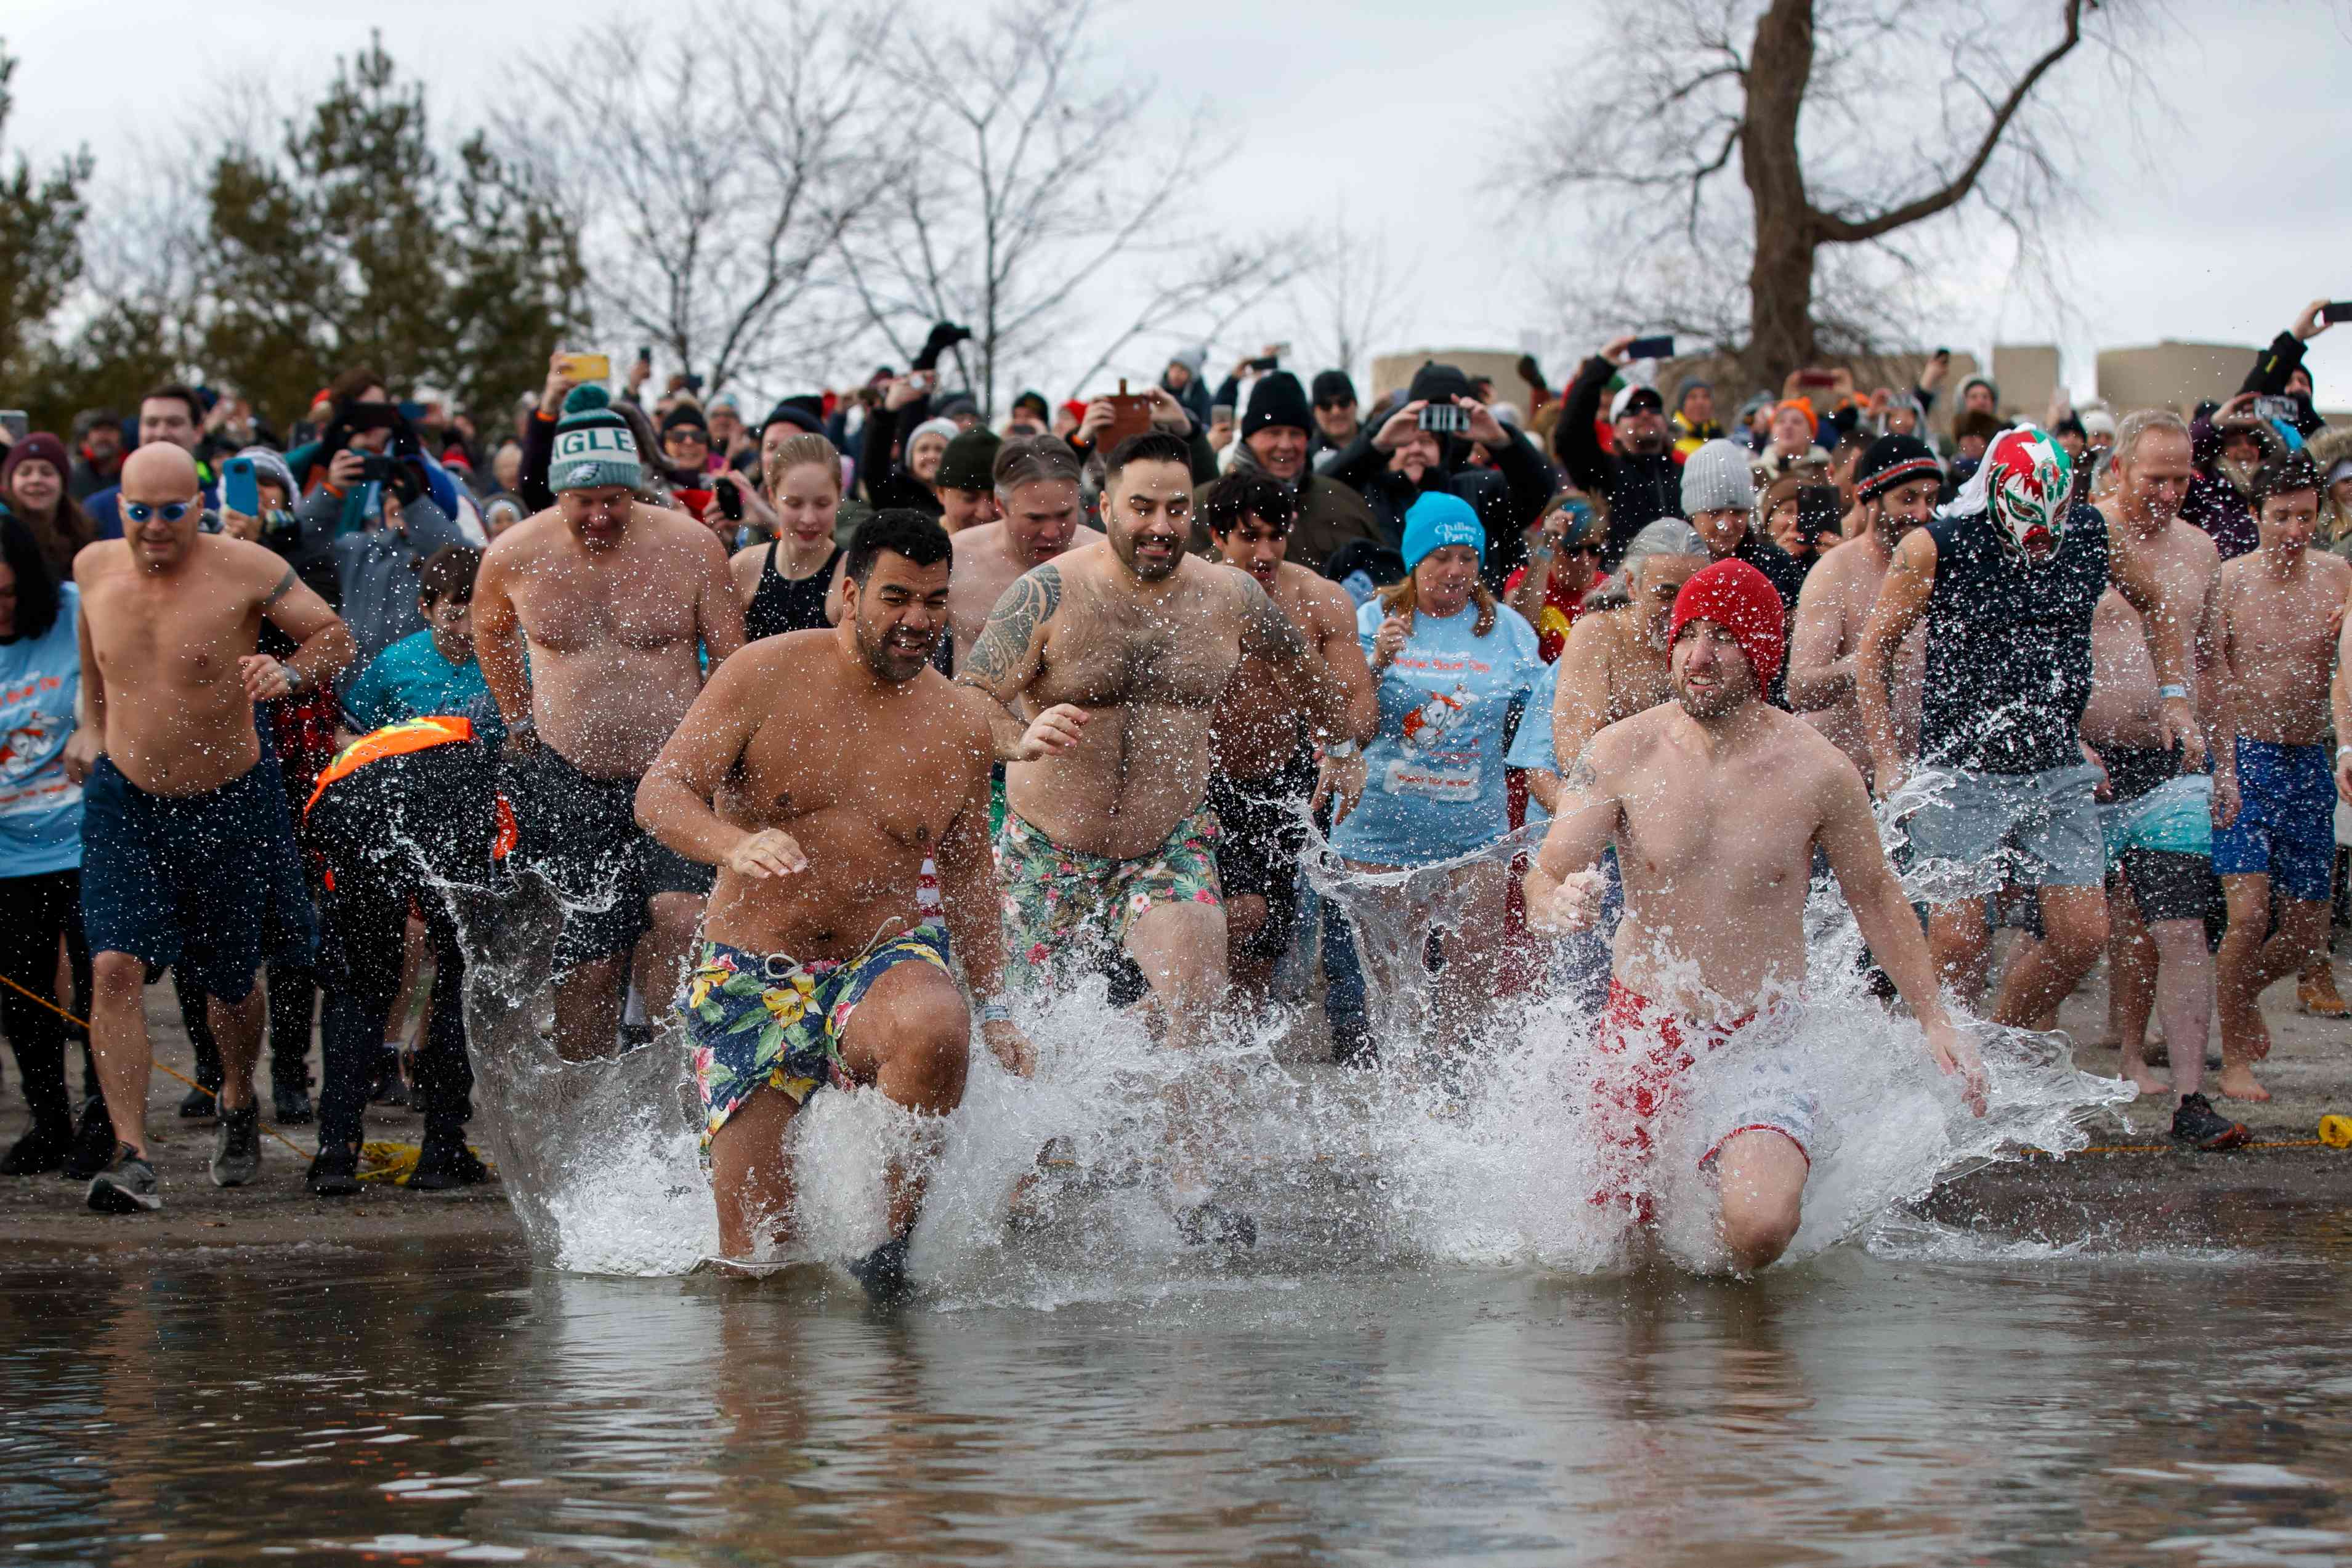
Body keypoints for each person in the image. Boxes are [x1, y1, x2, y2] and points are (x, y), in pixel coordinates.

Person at [1524, 558, 1984, 1272]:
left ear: (1764, 651)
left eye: (1725, 639)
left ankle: (1725, 1306)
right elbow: (1547, 871)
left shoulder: (1819, 770)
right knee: (1615, 1259)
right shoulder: (1622, 750)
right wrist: (1556, 903)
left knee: (1761, 1229)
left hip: (1759, 1031)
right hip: (1645, 1027)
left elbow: (1876, 895)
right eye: (1688, 636)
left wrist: (1933, 1015)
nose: (1699, 658)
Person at [956, 431, 1355, 1247]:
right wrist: (1017, 737)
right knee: (1022, 1029)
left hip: (1166, 840)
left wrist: (1344, 745)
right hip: (1045, 845)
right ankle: (1018, 1176)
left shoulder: (1230, 597)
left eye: (1177, 508)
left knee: (1195, 987)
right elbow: (970, 700)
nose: (1160, 526)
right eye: (1141, 507)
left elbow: (1310, 676)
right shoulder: (1047, 592)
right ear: (1104, 508)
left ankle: (1188, 1184)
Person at [637, 510, 1028, 1298]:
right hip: (754, 970)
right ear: (850, 593)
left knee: (936, 1023)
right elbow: (661, 792)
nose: (917, 620)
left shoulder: (956, 721)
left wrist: (996, 1006)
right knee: (757, 1261)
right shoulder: (764, 672)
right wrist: (731, 844)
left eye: (934, 600)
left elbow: (970, 880)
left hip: (875, 957)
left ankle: (886, 1251)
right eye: (896, 598)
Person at [68, 444, 355, 1211]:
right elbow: (96, 669)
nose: (154, 527)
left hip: (230, 798)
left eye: (171, 511)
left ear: (198, 504)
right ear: (118, 505)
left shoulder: (247, 568)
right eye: (138, 511)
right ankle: (132, 1153)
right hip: (125, 797)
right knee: (114, 968)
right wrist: (89, 734)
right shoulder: (93, 567)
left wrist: (290, 672)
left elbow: (335, 636)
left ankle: (236, 1095)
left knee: (229, 984)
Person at [1857, 424, 2200, 1027]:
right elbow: (1874, 651)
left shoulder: (2094, 533)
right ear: (1995, 495)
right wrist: (1888, 757)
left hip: (2054, 765)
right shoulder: (1937, 547)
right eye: (2027, 522)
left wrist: (2174, 697)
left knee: (2082, 937)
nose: (2041, 540)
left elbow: (2159, 604)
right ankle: (1942, 1065)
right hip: (1961, 770)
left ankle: (2002, 1043)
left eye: (2055, 519)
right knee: (1960, 943)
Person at [472, 396, 746, 1063]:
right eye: (585, 501)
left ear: (636, 488)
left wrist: (711, 745)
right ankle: (586, 1094)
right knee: (593, 955)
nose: (600, 517)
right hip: (570, 773)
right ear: (560, 492)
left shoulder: (689, 546)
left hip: (673, 771)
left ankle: (672, 1077)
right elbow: (488, 627)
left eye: (615, 500)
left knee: (682, 920)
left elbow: (734, 658)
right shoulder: (515, 553)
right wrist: (516, 715)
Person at [1331, 493, 1543, 1050]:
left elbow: (1543, 718)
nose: (1454, 571)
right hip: (1379, 831)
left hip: (1473, 835)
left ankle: (1453, 1095)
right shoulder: (1374, 619)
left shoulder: (1508, 630)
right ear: (1414, 563)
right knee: (1389, 996)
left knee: (1471, 979)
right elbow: (1344, 726)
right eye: (1440, 557)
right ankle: (1399, 1105)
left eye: (1467, 558)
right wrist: (1376, 662)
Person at [301, 715, 501, 1195]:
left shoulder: (386, 750)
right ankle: (441, 1149)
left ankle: (335, 1151)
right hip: (430, 805)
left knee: (359, 985)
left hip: (341, 802)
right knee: (461, 976)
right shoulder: (484, 760)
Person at [1200, 472, 1378, 1003]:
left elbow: (1358, 700)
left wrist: (1341, 750)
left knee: (1264, 948)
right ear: (1216, 537)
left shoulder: (1320, 599)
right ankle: (1176, 1009)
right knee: (1241, 915)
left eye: (1274, 537)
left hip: (1288, 782)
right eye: (1248, 537)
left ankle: (1237, 1069)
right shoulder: (1190, 599)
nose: (1264, 552)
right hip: (1203, 781)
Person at [2081, 584, 2247, 1149]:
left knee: (2180, 930)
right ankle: (2002, 1081)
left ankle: (2189, 1101)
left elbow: (2213, 668)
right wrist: (2059, 736)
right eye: (2157, 484)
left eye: (2178, 485)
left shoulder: (2196, 552)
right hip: (2082, 772)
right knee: (2064, 940)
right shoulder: (2077, 541)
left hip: (2174, 772)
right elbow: (2036, 654)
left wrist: (2225, 765)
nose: (2168, 492)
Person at [2217, 450, 2349, 1101]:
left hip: (2309, 758)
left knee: (2301, 933)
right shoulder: (2232, 581)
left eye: (2305, 517)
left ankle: (2235, 994)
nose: (2293, 531)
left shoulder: (2339, 578)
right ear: (2255, 515)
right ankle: (2235, 1052)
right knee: (2247, 915)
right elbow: (2210, 675)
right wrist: (2216, 763)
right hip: (2247, 756)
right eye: (2280, 517)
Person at [0, 519, 108, 1176]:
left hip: (86, 833)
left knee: (104, 985)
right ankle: (49, 1119)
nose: (1, 608)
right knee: (21, 993)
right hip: (10, 850)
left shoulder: (77, 610)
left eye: (10, 594)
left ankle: (106, 1118)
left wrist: (98, 729)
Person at [1786, 434, 1941, 784]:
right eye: (1907, 499)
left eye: (1931, 500)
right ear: (1870, 499)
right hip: (1847, 782)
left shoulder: (1942, 566)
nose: (1921, 513)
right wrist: (1860, 665)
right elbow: (1799, 689)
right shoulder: (1836, 571)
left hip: (1924, 781)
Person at [1197, 371, 1382, 574]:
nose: (1286, 445)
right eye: (1273, 433)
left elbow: (1386, 581)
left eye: (1295, 434)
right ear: (1249, 438)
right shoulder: (1204, 504)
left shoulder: (1343, 502)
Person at [947, 435, 1086, 668]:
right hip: (978, 703)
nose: (1052, 533)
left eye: (1063, 515)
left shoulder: (1104, 559)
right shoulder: (957, 560)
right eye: (1035, 518)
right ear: (1001, 506)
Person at [340, 545, 502, 744]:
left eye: (478, 617)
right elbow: (342, 736)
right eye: (452, 617)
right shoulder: (394, 664)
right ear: (425, 609)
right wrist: (386, 753)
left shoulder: (511, 657)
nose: (466, 630)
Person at [1552, 340, 1683, 564]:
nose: (1645, 414)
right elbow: (1569, 435)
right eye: (1632, 410)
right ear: (1616, 430)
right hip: (1622, 585)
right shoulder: (1605, 473)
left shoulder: (1685, 474)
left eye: (1653, 408)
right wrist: (1601, 366)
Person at [732, 433, 849, 642]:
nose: (809, 519)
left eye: (822, 504)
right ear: (772, 498)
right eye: (794, 504)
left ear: (839, 498)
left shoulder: (851, 576)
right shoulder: (744, 568)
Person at [83, 386, 216, 541]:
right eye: (152, 423)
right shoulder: (99, 510)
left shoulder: (224, 504)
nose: (161, 433)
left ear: (198, 432)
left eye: (174, 423)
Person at [1503, 492, 1606, 661]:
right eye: (1574, 550)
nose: (1585, 560)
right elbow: (1519, 625)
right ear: (1556, 549)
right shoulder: (1524, 578)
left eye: (1594, 549)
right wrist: (1547, 544)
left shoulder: (1607, 588)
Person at [2, 433, 96, 580]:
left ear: (63, 482)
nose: (36, 480)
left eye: (47, 472)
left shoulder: (86, 532)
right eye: (25, 472)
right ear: (11, 482)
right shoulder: (4, 533)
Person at [932, 429, 1002, 535]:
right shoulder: (916, 544)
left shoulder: (1024, 546)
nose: (984, 514)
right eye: (969, 498)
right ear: (941, 493)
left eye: (996, 499)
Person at [68, 410, 124, 503]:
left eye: (110, 430)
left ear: (121, 438)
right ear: (87, 437)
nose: (103, 436)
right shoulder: (75, 479)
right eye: (97, 430)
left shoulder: (130, 476)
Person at [1309, 370, 1361, 467]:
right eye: (1326, 406)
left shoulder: (1381, 445)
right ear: (1314, 412)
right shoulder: (1303, 458)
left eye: (1343, 402)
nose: (1336, 412)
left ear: (1356, 404)